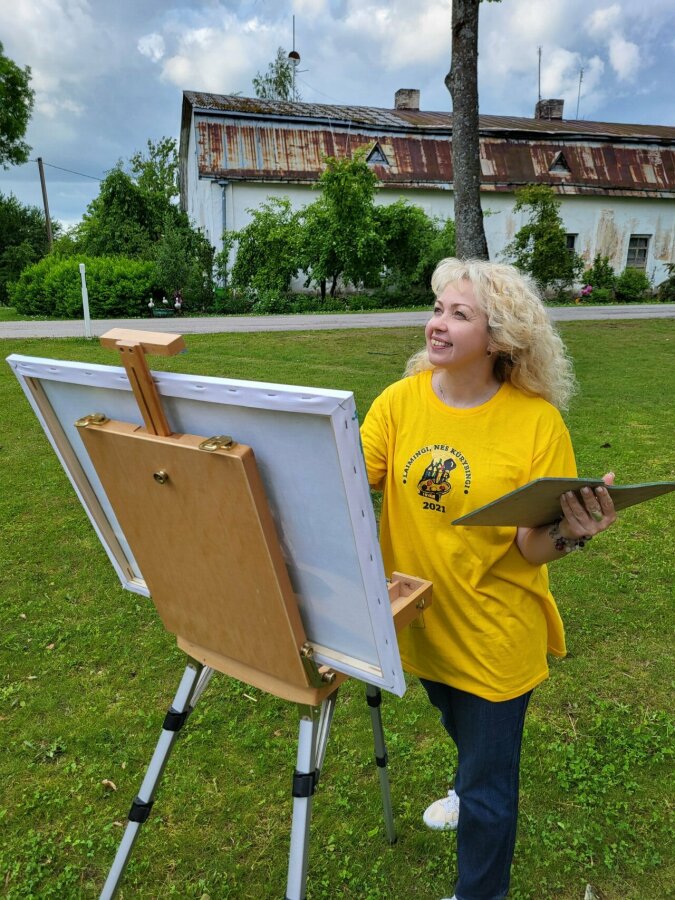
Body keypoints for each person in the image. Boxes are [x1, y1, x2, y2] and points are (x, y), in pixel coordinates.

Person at [359, 258, 617, 900]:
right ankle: (469, 777)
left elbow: (531, 546)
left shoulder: (537, 424)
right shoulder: (398, 402)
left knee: (490, 792)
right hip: (420, 620)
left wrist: (572, 531)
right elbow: (347, 480)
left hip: (495, 634)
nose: (437, 324)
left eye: (459, 314)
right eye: (437, 309)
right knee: (463, 732)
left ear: (498, 337)